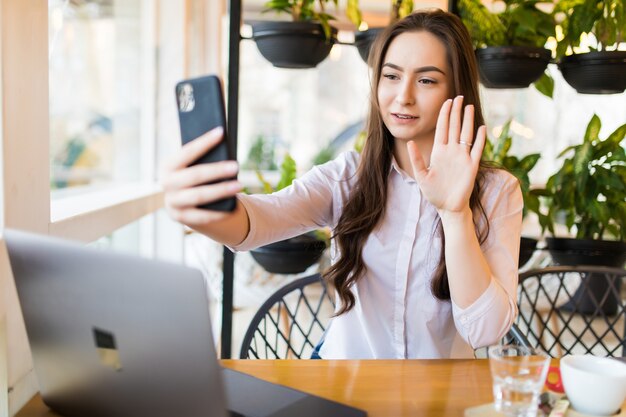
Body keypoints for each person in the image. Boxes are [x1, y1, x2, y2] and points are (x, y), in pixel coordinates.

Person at [162, 9, 522, 359]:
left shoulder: (498, 191)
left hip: (439, 394)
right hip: (348, 380)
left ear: (456, 90)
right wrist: (203, 210)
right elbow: (257, 222)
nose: (403, 96)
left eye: (426, 80)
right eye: (391, 76)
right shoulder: (346, 177)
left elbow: (485, 332)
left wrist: (454, 213)